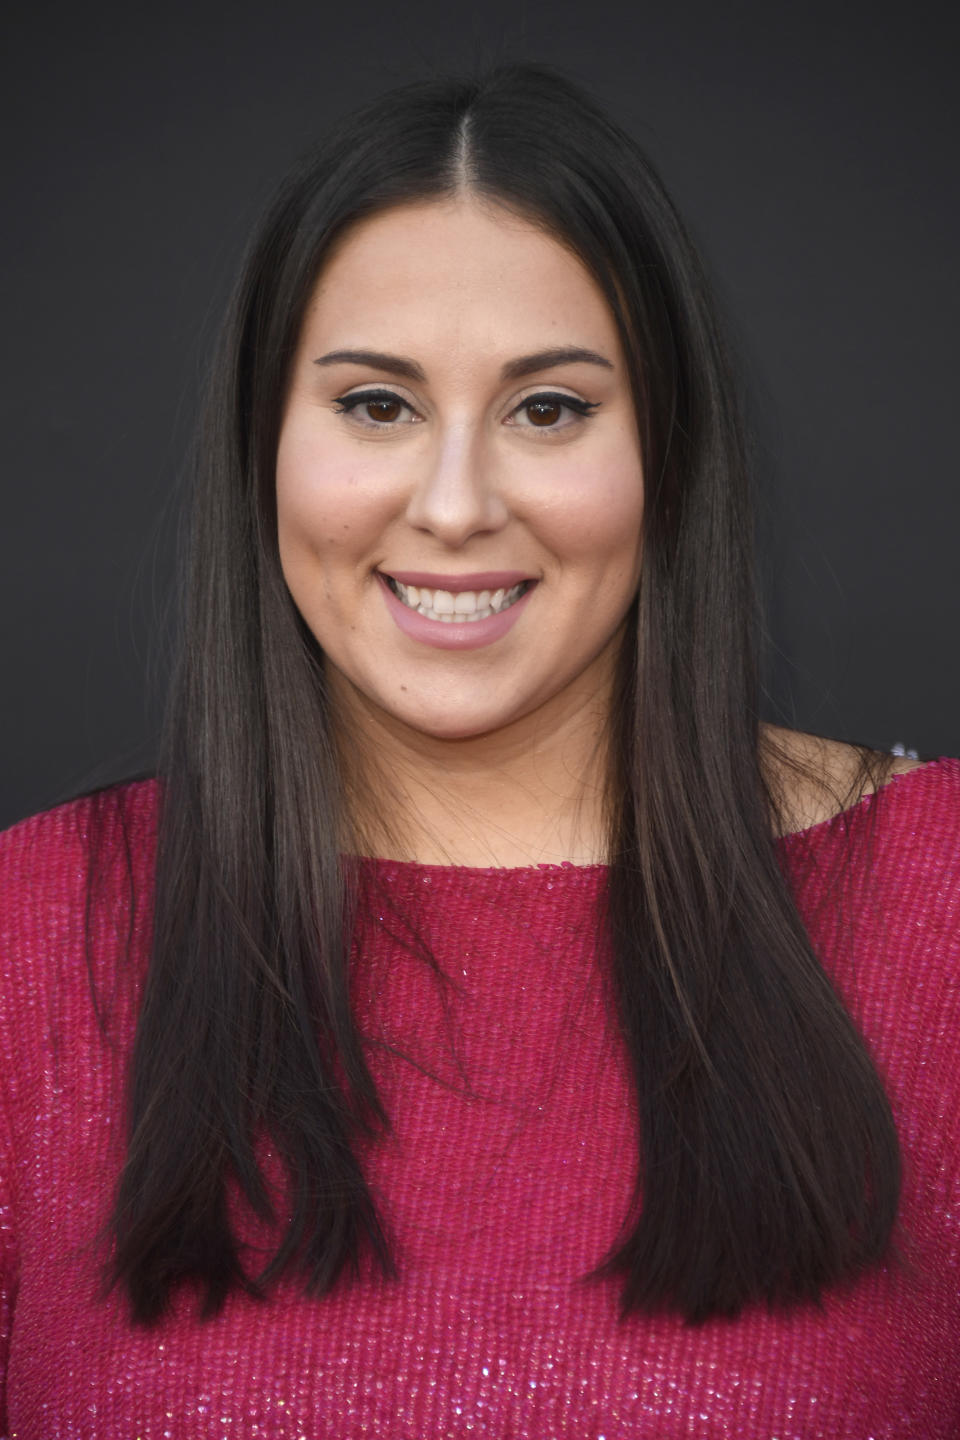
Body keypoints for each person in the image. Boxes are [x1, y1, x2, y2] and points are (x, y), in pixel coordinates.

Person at [0, 63, 957, 1439]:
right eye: (376, 405)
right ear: (262, 445)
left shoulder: (942, 902)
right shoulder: (36, 932)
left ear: (668, 454)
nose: (455, 506)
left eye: (549, 409)